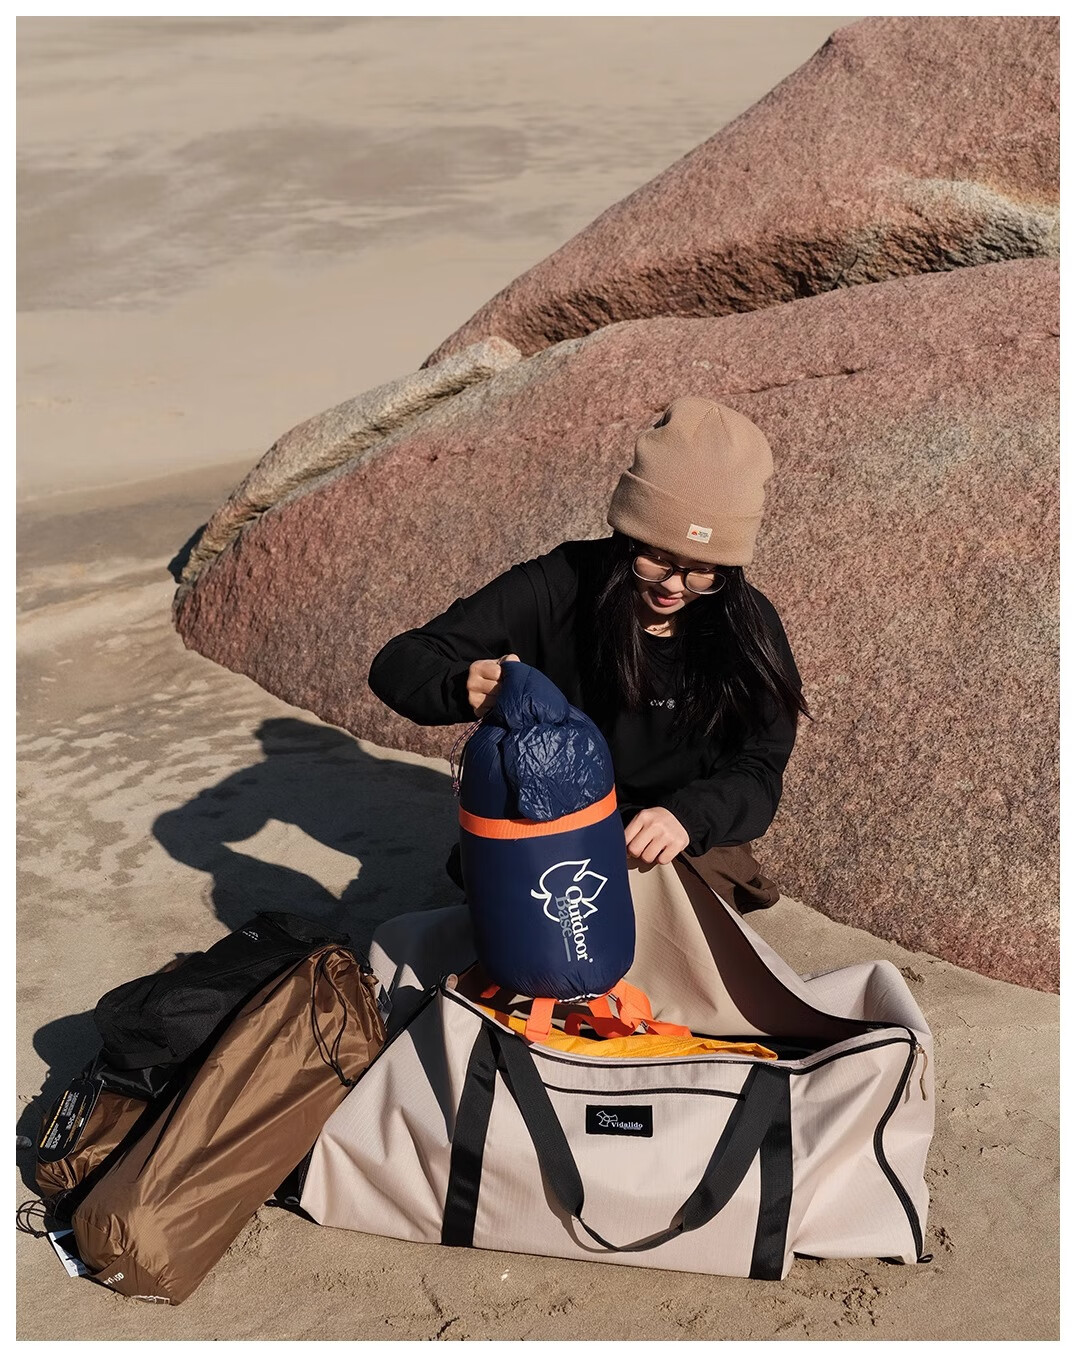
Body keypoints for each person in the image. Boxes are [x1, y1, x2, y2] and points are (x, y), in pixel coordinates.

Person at [368, 395, 808, 914]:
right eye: (657, 558)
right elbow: (400, 660)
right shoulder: (562, 582)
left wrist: (688, 816)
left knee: (669, 913)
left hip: (675, 840)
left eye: (703, 570)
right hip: (551, 819)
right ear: (626, 536)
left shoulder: (747, 622)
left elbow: (761, 765)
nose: (674, 585)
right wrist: (459, 685)